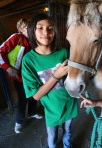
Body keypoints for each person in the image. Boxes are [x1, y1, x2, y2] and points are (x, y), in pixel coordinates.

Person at [21, 12, 78, 148]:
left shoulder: (63, 52)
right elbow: (36, 95)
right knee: (52, 136)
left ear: (55, 31)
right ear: (32, 31)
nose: (46, 32)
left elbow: (74, 77)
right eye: (40, 28)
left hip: (69, 102)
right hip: (52, 109)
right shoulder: (29, 61)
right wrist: (56, 76)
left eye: (50, 28)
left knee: (68, 131)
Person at [0, 18, 43, 134]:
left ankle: (32, 113)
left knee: (34, 94)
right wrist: (8, 68)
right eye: (27, 27)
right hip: (19, 76)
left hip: (32, 75)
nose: (31, 30)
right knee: (23, 99)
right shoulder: (16, 38)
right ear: (21, 30)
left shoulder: (34, 40)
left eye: (31, 27)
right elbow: (0, 51)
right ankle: (18, 122)